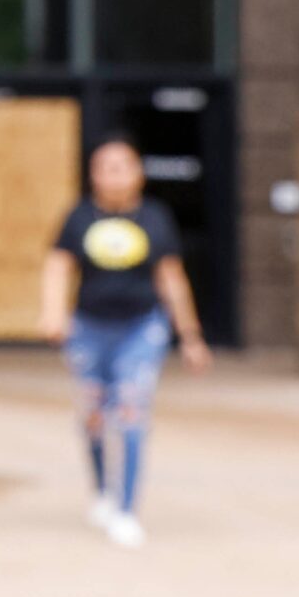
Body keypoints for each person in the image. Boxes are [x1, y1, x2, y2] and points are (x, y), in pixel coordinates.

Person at [39, 136, 212, 549]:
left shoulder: (154, 218)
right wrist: (53, 311)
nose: (113, 175)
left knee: (132, 412)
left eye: (122, 166)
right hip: (90, 327)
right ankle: (102, 488)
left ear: (137, 173)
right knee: (94, 413)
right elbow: (58, 266)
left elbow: (170, 277)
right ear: (93, 175)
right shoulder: (79, 217)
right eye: (105, 167)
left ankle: (126, 509)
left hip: (140, 327)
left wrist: (190, 336)